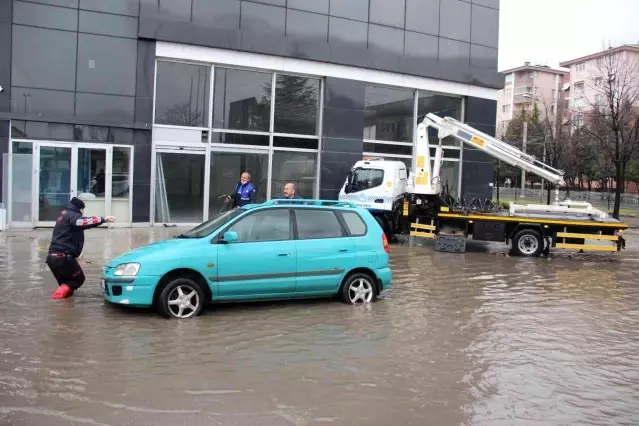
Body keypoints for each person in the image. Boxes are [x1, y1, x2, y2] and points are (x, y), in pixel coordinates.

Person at [46, 197, 115, 299]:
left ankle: (63, 310)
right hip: (62, 257)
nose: (83, 213)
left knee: (68, 285)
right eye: (83, 210)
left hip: (53, 258)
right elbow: (84, 222)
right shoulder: (72, 216)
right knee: (77, 279)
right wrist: (103, 219)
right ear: (79, 208)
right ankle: (55, 300)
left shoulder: (64, 214)